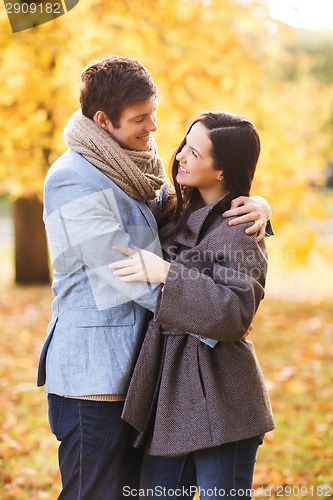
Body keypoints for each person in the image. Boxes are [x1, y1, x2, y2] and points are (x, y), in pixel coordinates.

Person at [36, 55, 272, 500]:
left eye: (155, 115)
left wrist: (257, 205)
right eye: (141, 118)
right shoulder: (73, 178)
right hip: (97, 379)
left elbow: (205, 210)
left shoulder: (135, 169)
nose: (155, 131)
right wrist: (211, 312)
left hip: (146, 382)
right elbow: (126, 271)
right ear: (104, 120)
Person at [111, 111, 276, 500]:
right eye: (185, 143)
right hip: (168, 394)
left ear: (222, 171)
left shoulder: (242, 229)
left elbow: (236, 313)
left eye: (195, 153)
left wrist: (169, 274)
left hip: (223, 394)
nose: (181, 155)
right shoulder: (172, 211)